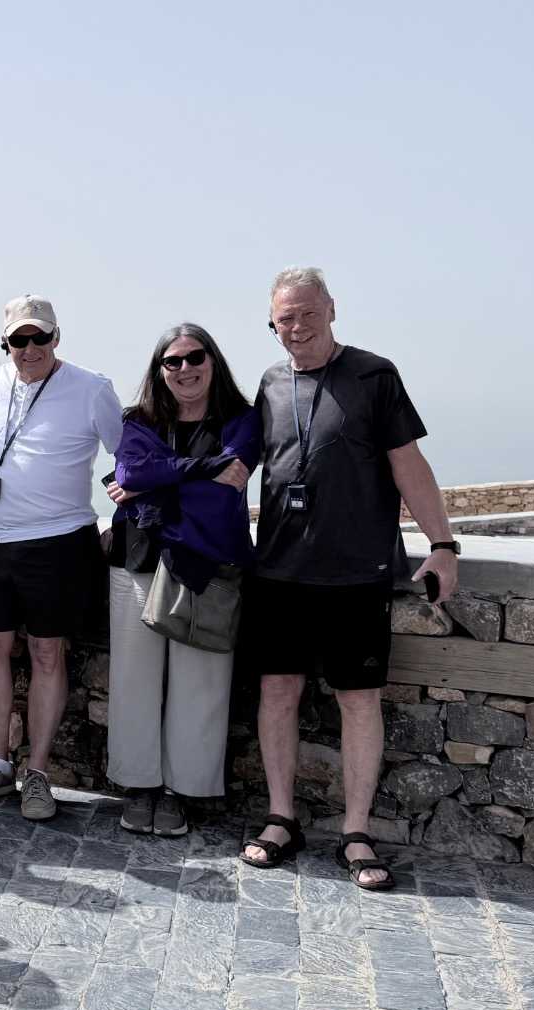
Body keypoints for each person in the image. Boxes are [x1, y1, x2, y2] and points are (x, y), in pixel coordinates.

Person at [238, 268, 459, 891]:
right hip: (279, 570)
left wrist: (443, 545)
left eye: (308, 313)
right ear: (272, 324)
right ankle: (281, 818)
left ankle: (356, 832)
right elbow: (239, 464)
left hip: (357, 573)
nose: (298, 327)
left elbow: (408, 463)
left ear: (331, 310)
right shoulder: (270, 383)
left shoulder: (374, 375)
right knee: (277, 692)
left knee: (358, 700)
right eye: (286, 318)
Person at [0, 295, 123, 820]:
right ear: (6, 343)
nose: (29, 348)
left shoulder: (92, 389)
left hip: (57, 542)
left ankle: (39, 774)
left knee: (48, 653)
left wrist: (122, 520)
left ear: (56, 337)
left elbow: (130, 455)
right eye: (18, 340)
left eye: (39, 337)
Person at [103, 324, 259, 837]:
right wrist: (203, 469)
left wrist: (157, 481)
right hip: (139, 561)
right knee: (134, 678)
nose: (185, 369)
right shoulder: (139, 420)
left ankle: (180, 791)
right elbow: (130, 474)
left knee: (202, 682)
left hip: (207, 563)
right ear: (159, 370)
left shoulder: (242, 420)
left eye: (195, 357)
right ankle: (139, 785)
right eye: (172, 361)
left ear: (213, 361)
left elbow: (222, 492)